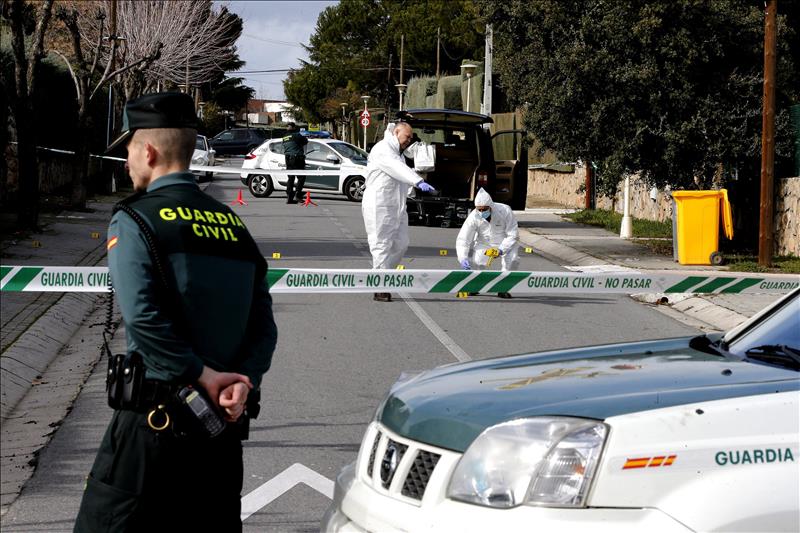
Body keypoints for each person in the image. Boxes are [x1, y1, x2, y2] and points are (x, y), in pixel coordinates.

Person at [74, 92, 278, 532]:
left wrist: (199, 374)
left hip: (152, 433)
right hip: (220, 437)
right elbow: (264, 325)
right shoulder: (233, 225)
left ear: (147, 151)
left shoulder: (135, 219)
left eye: (128, 150)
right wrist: (243, 382)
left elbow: (144, 319)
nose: (126, 163)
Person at [361, 122, 434, 302]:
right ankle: (380, 287)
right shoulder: (383, 149)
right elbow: (397, 169)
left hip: (396, 206)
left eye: (410, 138)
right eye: (407, 137)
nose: (408, 141)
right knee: (381, 246)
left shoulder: (397, 153)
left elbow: (399, 175)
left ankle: (385, 277)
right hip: (379, 205)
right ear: (396, 132)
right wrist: (417, 181)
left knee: (401, 244)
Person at [456, 187, 520, 299]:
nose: (481, 212)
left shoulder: (505, 211)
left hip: (505, 242)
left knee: (513, 261)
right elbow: (463, 239)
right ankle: (476, 286)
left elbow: (513, 234)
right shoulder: (473, 216)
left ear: (491, 206)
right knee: (478, 262)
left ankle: (503, 288)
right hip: (484, 242)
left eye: (484, 209)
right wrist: (463, 259)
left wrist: (501, 250)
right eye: (479, 210)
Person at [283, 122, 308, 203]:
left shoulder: (284, 137)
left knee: (291, 178)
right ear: (294, 128)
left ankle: (289, 197)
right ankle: (298, 194)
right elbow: (305, 141)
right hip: (297, 158)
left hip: (288, 158)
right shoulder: (296, 135)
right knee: (301, 177)